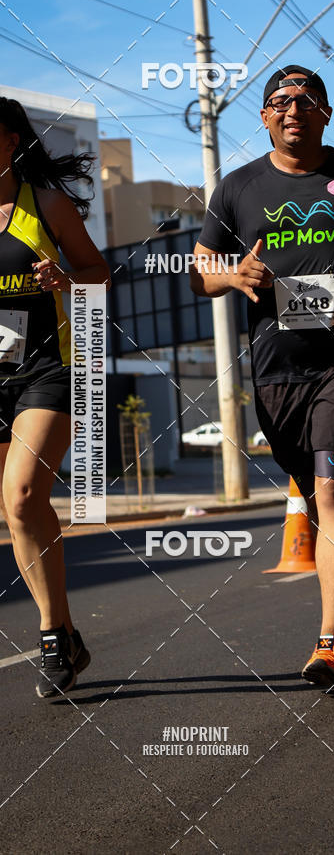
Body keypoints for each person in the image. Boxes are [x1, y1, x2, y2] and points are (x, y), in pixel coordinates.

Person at [191, 64, 334, 689]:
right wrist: (234, 275)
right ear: (263, 116)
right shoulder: (237, 187)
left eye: (306, 99)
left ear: (326, 112)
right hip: (277, 367)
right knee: (314, 501)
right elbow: (202, 269)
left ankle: (327, 644)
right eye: (279, 100)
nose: (292, 108)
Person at [0, 97, 111, 697]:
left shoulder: (43, 204)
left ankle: (48, 631)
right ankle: (67, 630)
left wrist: (65, 281)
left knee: (22, 497)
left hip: (45, 369)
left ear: (11, 140)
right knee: (15, 512)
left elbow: (97, 271)